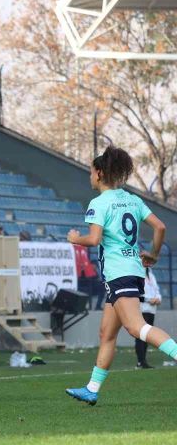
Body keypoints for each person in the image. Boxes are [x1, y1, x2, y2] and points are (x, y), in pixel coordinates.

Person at [66, 146, 177, 405]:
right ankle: (92, 389)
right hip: (130, 271)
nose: (89, 176)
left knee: (136, 327)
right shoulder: (132, 199)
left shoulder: (99, 203)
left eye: (91, 172)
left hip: (119, 273)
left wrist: (75, 239)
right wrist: (154, 254)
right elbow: (160, 226)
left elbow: (93, 239)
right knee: (107, 333)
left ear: (100, 173)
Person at [138, 267, 161, 369]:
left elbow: (157, 290)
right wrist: (149, 299)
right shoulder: (138, 274)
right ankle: (140, 361)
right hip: (142, 309)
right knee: (140, 336)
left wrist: (158, 298)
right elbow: (138, 295)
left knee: (146, 336)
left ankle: (144, 361)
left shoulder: (151, 274)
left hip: (152, 310)